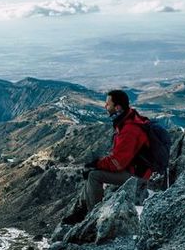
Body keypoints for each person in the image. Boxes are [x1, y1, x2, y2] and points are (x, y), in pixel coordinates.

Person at [61, 90, 152, 225]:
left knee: (94, 175)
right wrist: (94, 165)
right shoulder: (127, 120)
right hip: (133, 168)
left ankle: (93, 218)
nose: (105, 107)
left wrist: (96, 164)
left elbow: (117, 163)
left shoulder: (129, 129)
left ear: (118, 107)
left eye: (107, 104)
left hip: (137, 175)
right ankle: (83, 209)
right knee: (90, 172)